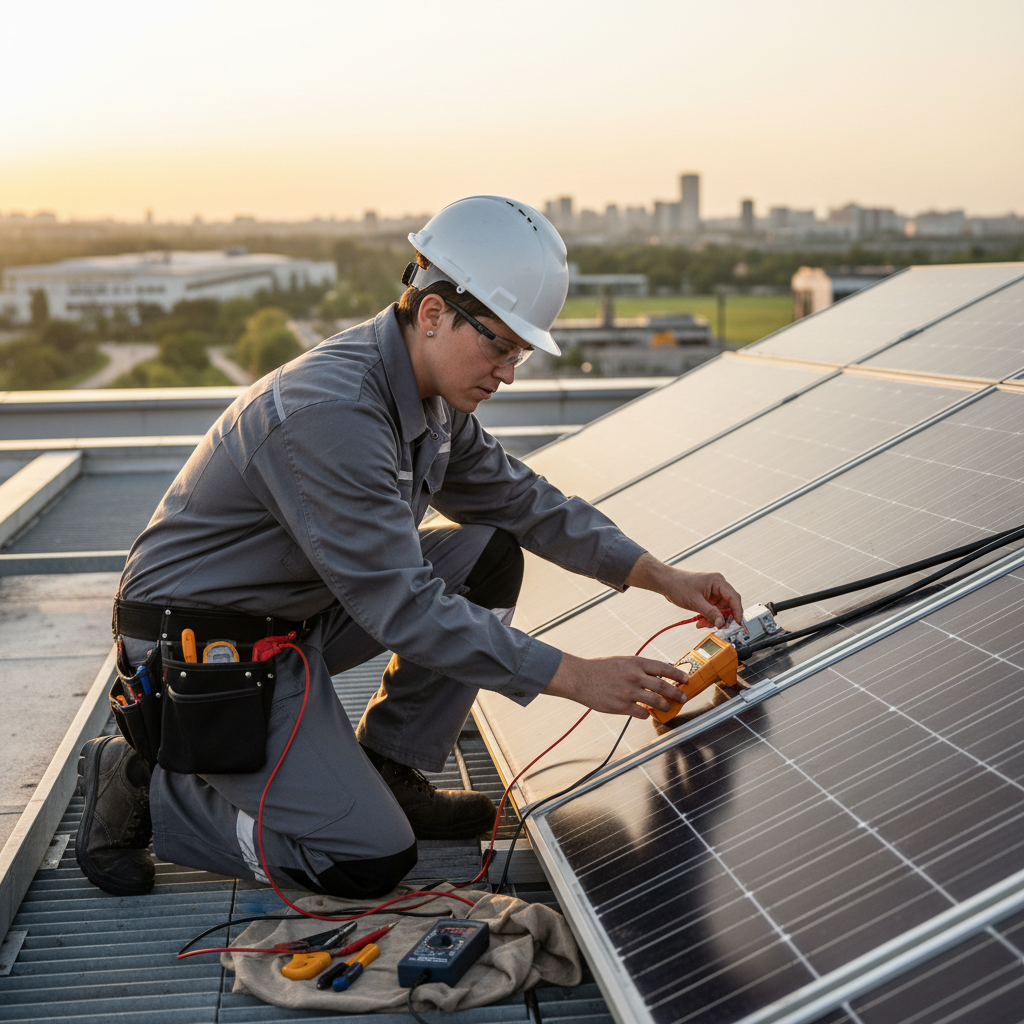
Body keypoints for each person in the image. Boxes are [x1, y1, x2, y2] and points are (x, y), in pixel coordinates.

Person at [75, 196, 743, 899]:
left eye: (519, 353)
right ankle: (146, 783)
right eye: (499, 345)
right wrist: (575, 676)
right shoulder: (332, 414)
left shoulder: (433, 401)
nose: (509, 372)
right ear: (432, 314)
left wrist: (660, 576)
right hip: (204, 648)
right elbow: (402, 606)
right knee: (364, 860)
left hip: (296, 614)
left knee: (486, 554)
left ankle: (391, 765)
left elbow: (524, 502)